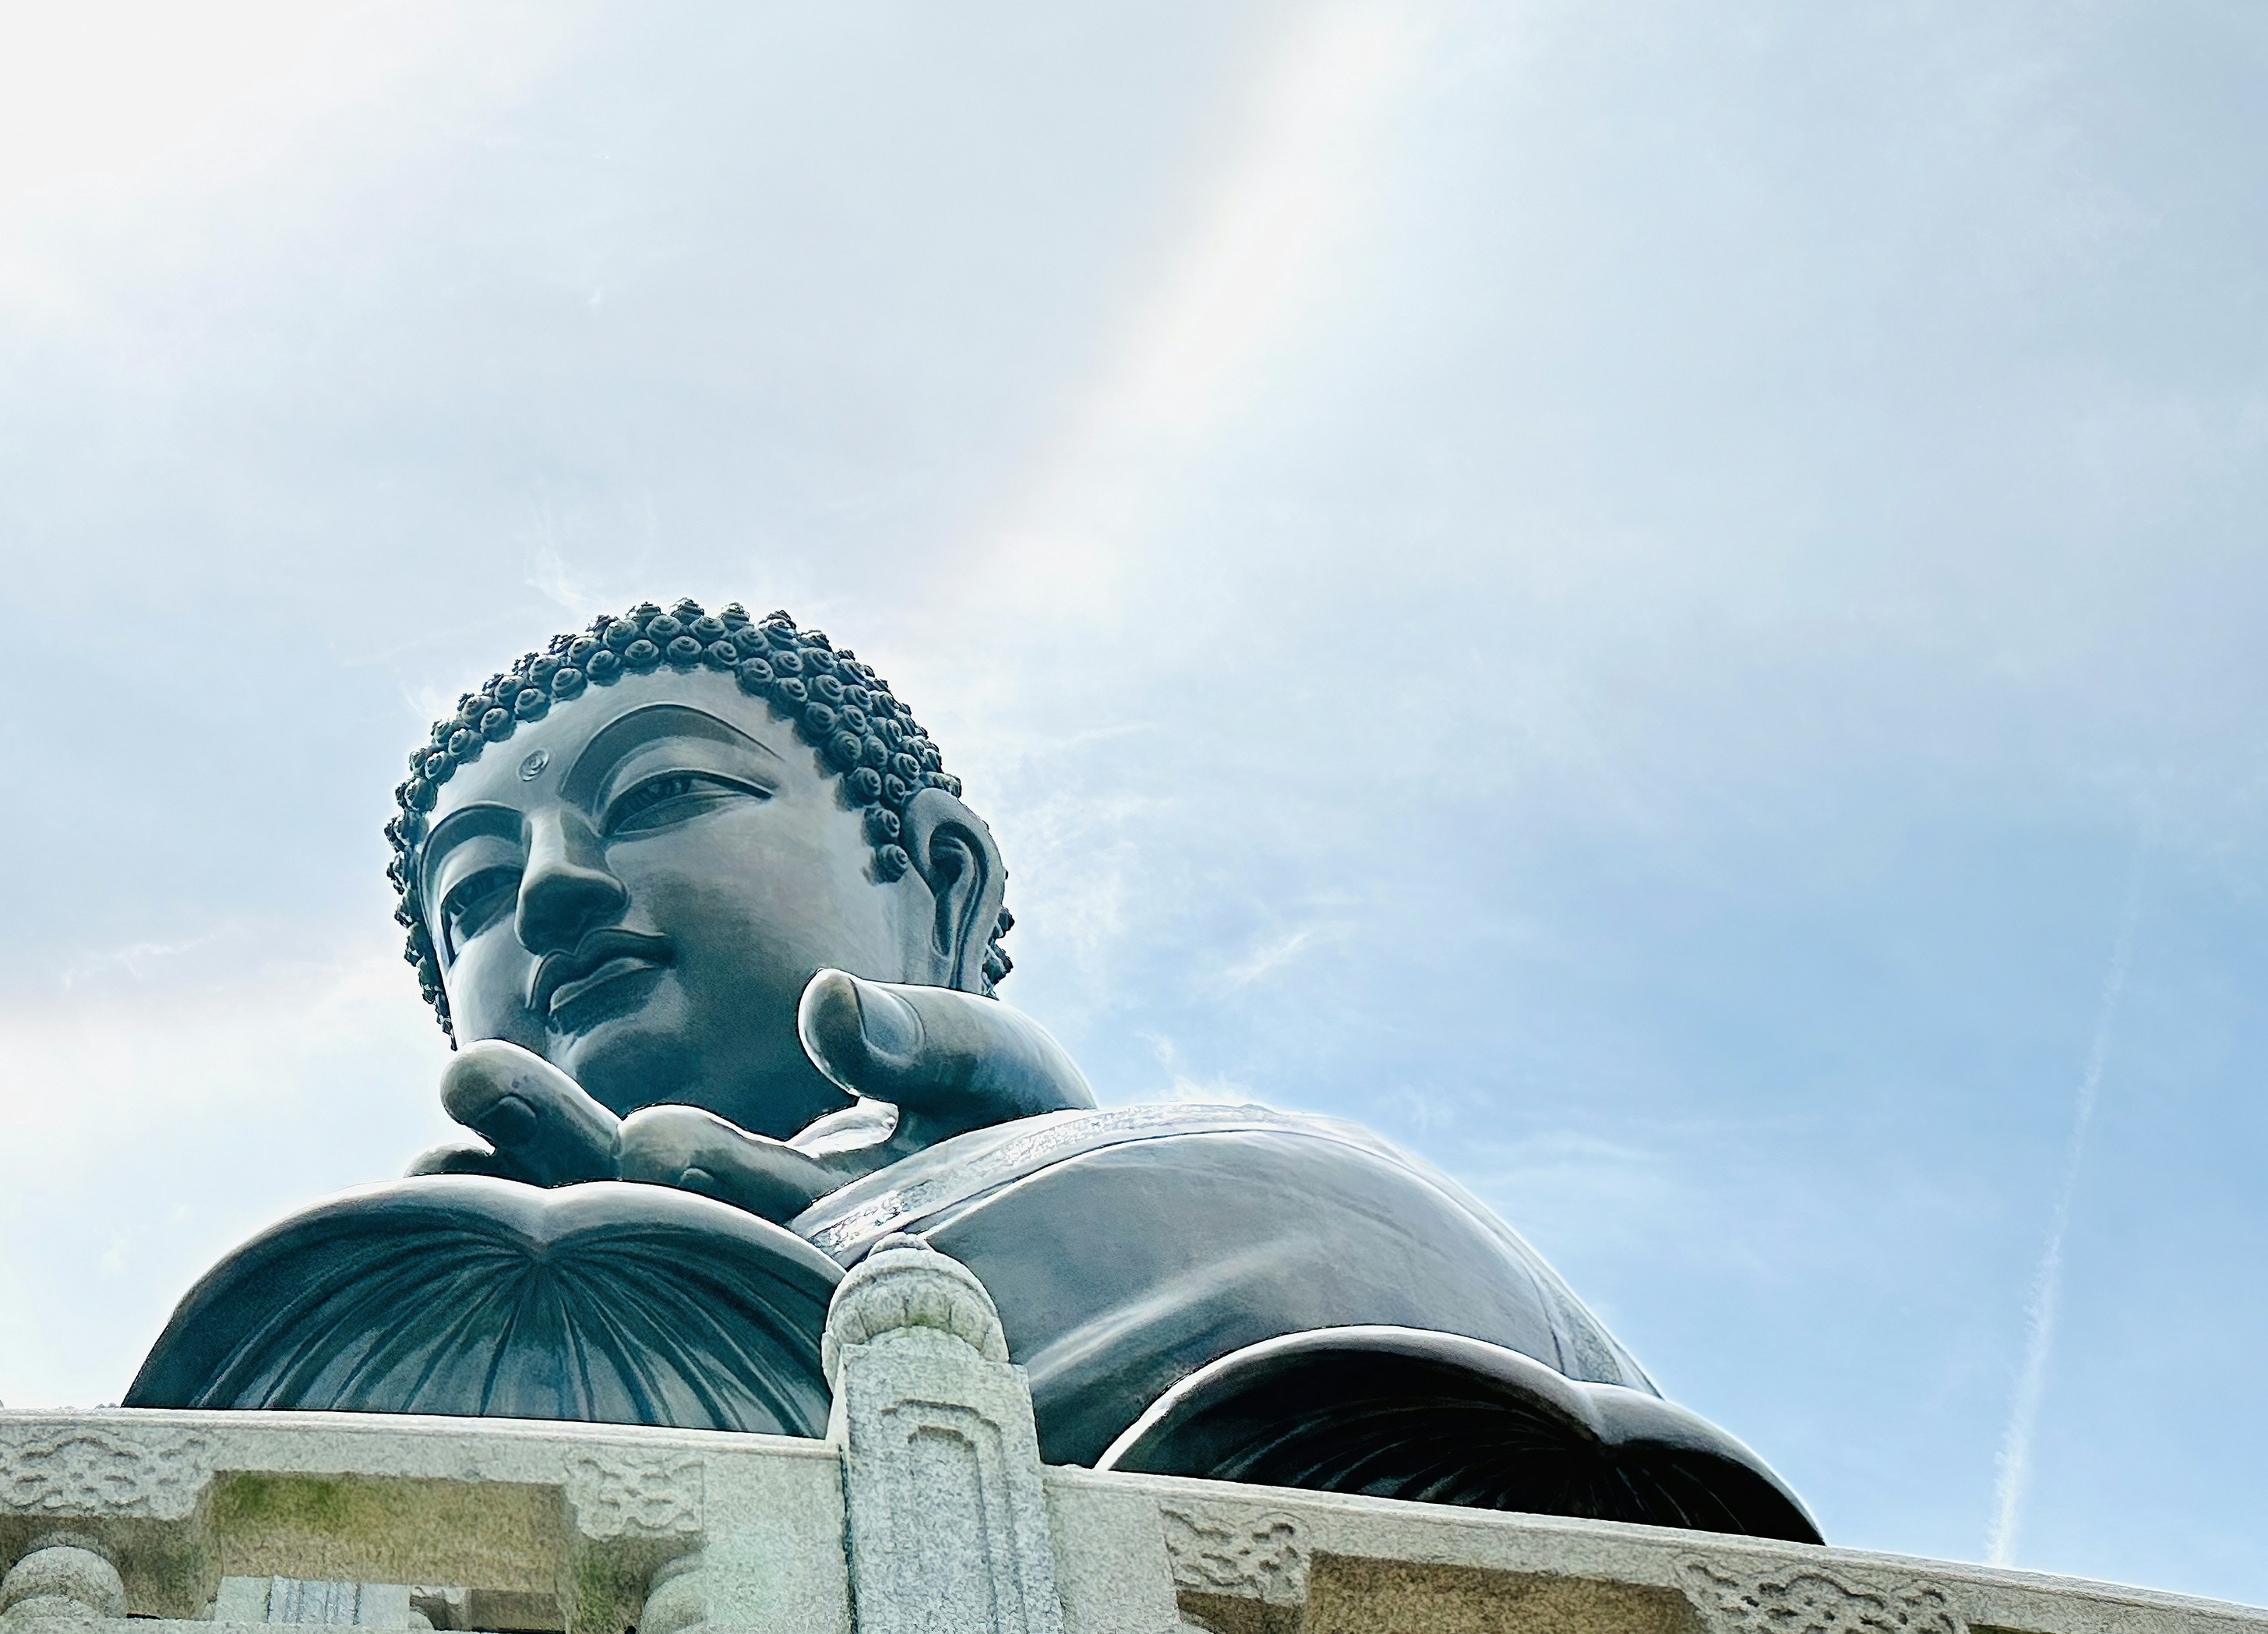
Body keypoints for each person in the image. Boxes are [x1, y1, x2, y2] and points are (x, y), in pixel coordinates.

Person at [123, 600, 1811, 1536]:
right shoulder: (397, 1297)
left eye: (656, 799)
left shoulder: (1199, 1189)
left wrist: (992, 1211)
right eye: (477, 892)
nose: (553, 890)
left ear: (939, 887)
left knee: (1324, 1223)